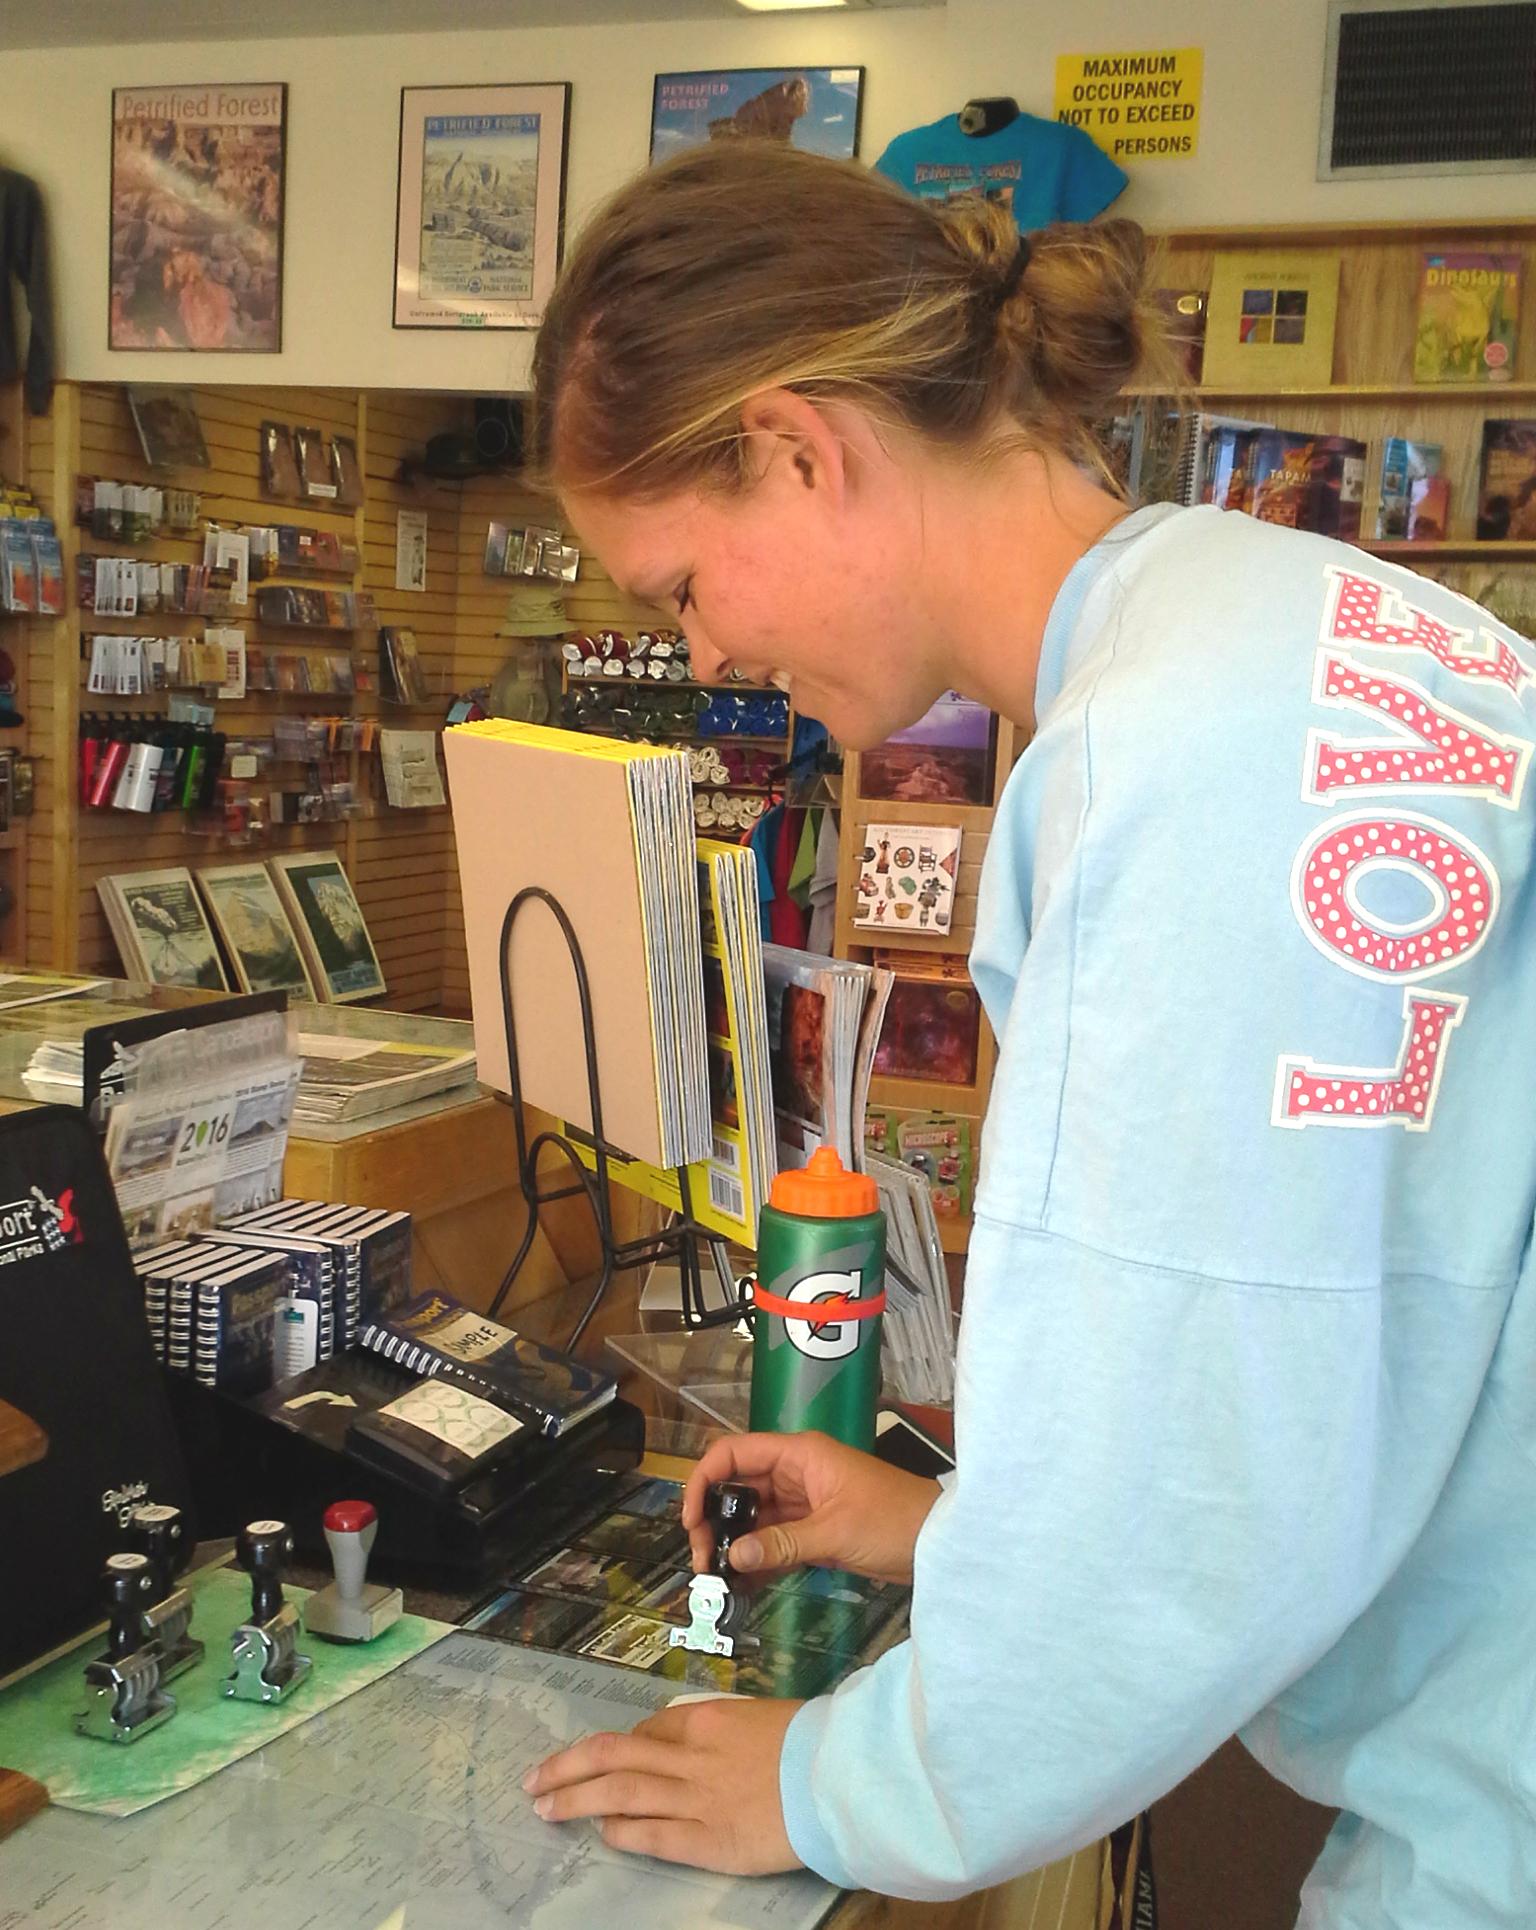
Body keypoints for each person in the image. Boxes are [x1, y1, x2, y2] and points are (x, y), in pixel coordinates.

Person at [520, 142, 1536, 1926]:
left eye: (682, 587)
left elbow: (1194, 1497)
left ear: (797, 448)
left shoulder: (1177, 757)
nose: (712, 655)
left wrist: (839, 1776)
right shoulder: (1278, 629)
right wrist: (959, 1534)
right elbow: (1333, 1354)